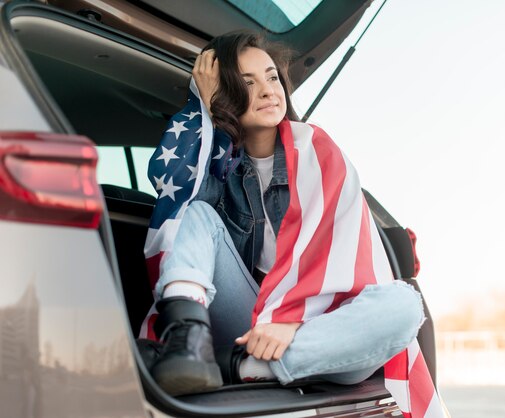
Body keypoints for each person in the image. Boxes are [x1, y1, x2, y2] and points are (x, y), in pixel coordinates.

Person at [146, 32, 425, 397]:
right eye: (247, 83)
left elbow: (346, 271)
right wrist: (202, 105)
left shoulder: (320, 156)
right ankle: (187, 342)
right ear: (225, 96)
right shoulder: (219, 170)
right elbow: (176, 193)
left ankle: (241, 368)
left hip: (326, 332)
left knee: (403, 304)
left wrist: (291, 322)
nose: (267, 90)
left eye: (272, 76)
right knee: (197, 213)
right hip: (251, 325)